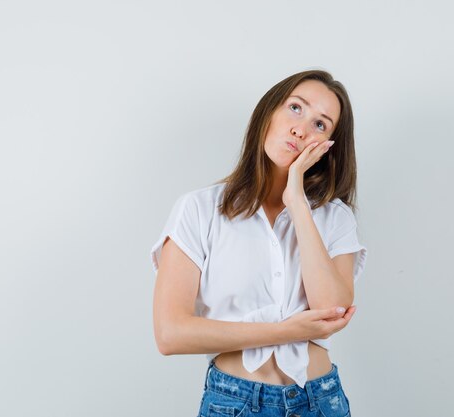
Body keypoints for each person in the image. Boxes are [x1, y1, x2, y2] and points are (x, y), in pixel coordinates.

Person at [150, 69, 367, 417]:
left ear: (328, 146)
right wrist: (283, 331)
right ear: (269, 111)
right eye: (296, 108)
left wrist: (297, 201)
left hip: (320, 400)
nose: (302, 128)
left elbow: (332, 309)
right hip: (235, 402)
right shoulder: (199, 210)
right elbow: (171, 334)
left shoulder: (334, 218)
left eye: (321, 124)